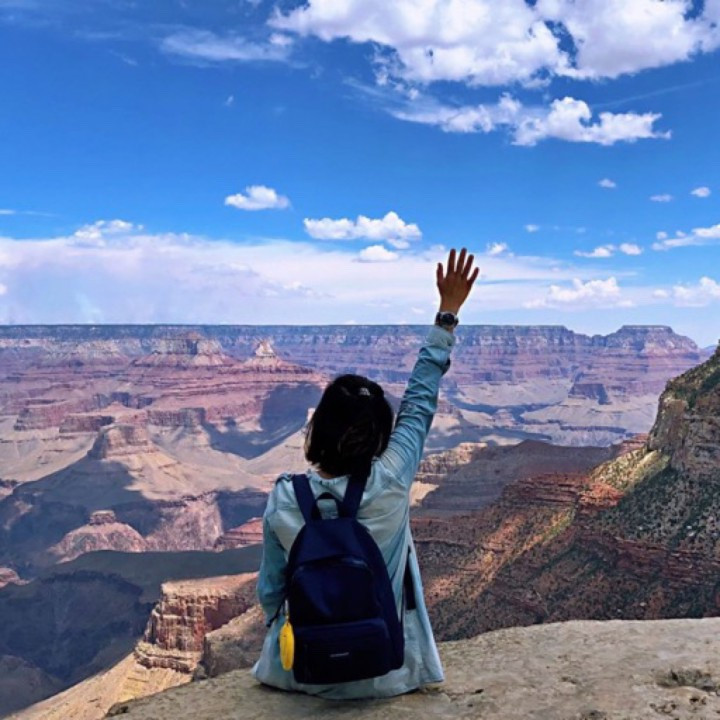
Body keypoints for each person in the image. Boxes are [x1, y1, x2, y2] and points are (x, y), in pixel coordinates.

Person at [252, 247, 479, 698]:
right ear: (380, 436)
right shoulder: (392, 479)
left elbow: (270, 590)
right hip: (387, 674)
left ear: (317, 430)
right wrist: (447, 315)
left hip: (304, 674)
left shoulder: (284, 497)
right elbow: (419, 401)